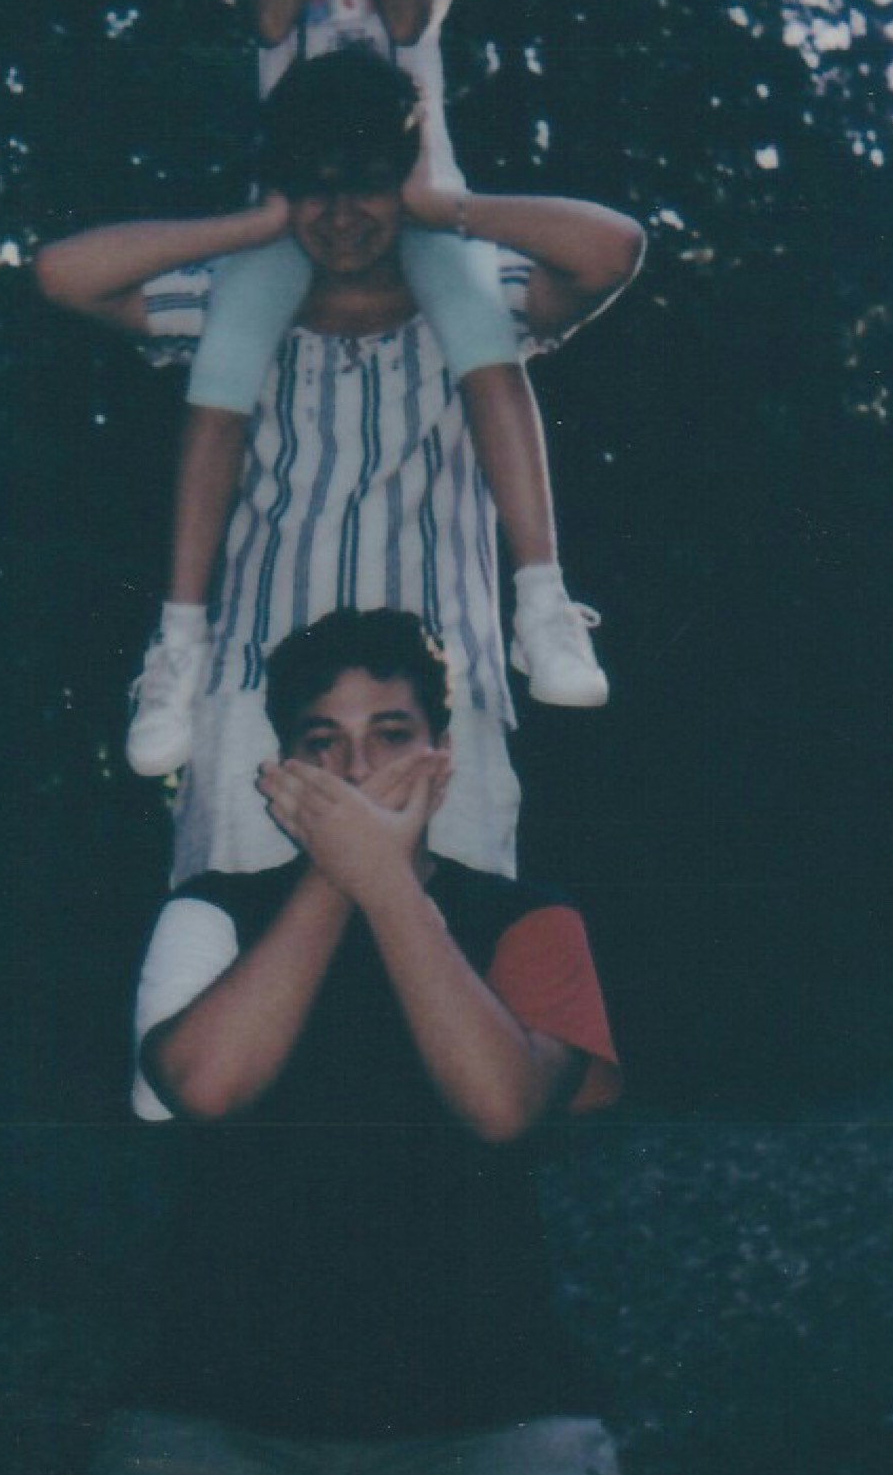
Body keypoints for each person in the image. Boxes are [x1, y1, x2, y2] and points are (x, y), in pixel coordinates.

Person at [71, 605, 629, 1475]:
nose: (358, 770)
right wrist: (345, 871)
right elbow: (206, 1085)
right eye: (322, 742)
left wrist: (382, 879)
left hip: (496, 1417)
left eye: (392, 736)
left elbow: (502, 1105)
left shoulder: (533, 920)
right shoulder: (207, 911)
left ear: (444, 756)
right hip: (216, 1414)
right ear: (285, 765)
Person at [35, 46, 645, 885]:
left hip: (440, 703)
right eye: (316, 187)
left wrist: (445, 203)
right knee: (243, 955)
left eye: (367, 183)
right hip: (255, 693)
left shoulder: (479, 299)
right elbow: (63, 275)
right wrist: (252, 227)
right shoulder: (231, 304)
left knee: (443, 958)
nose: (343, 212)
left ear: (401, 181)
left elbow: (612, 250)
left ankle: (549, 613)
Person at [126, 0, 611, 781]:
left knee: (487, 347)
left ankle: (542, 601)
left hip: (420, 201)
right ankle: (177, 642)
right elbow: (266, 15)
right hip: (291, 210)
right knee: (221, 375)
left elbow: (406, 13)